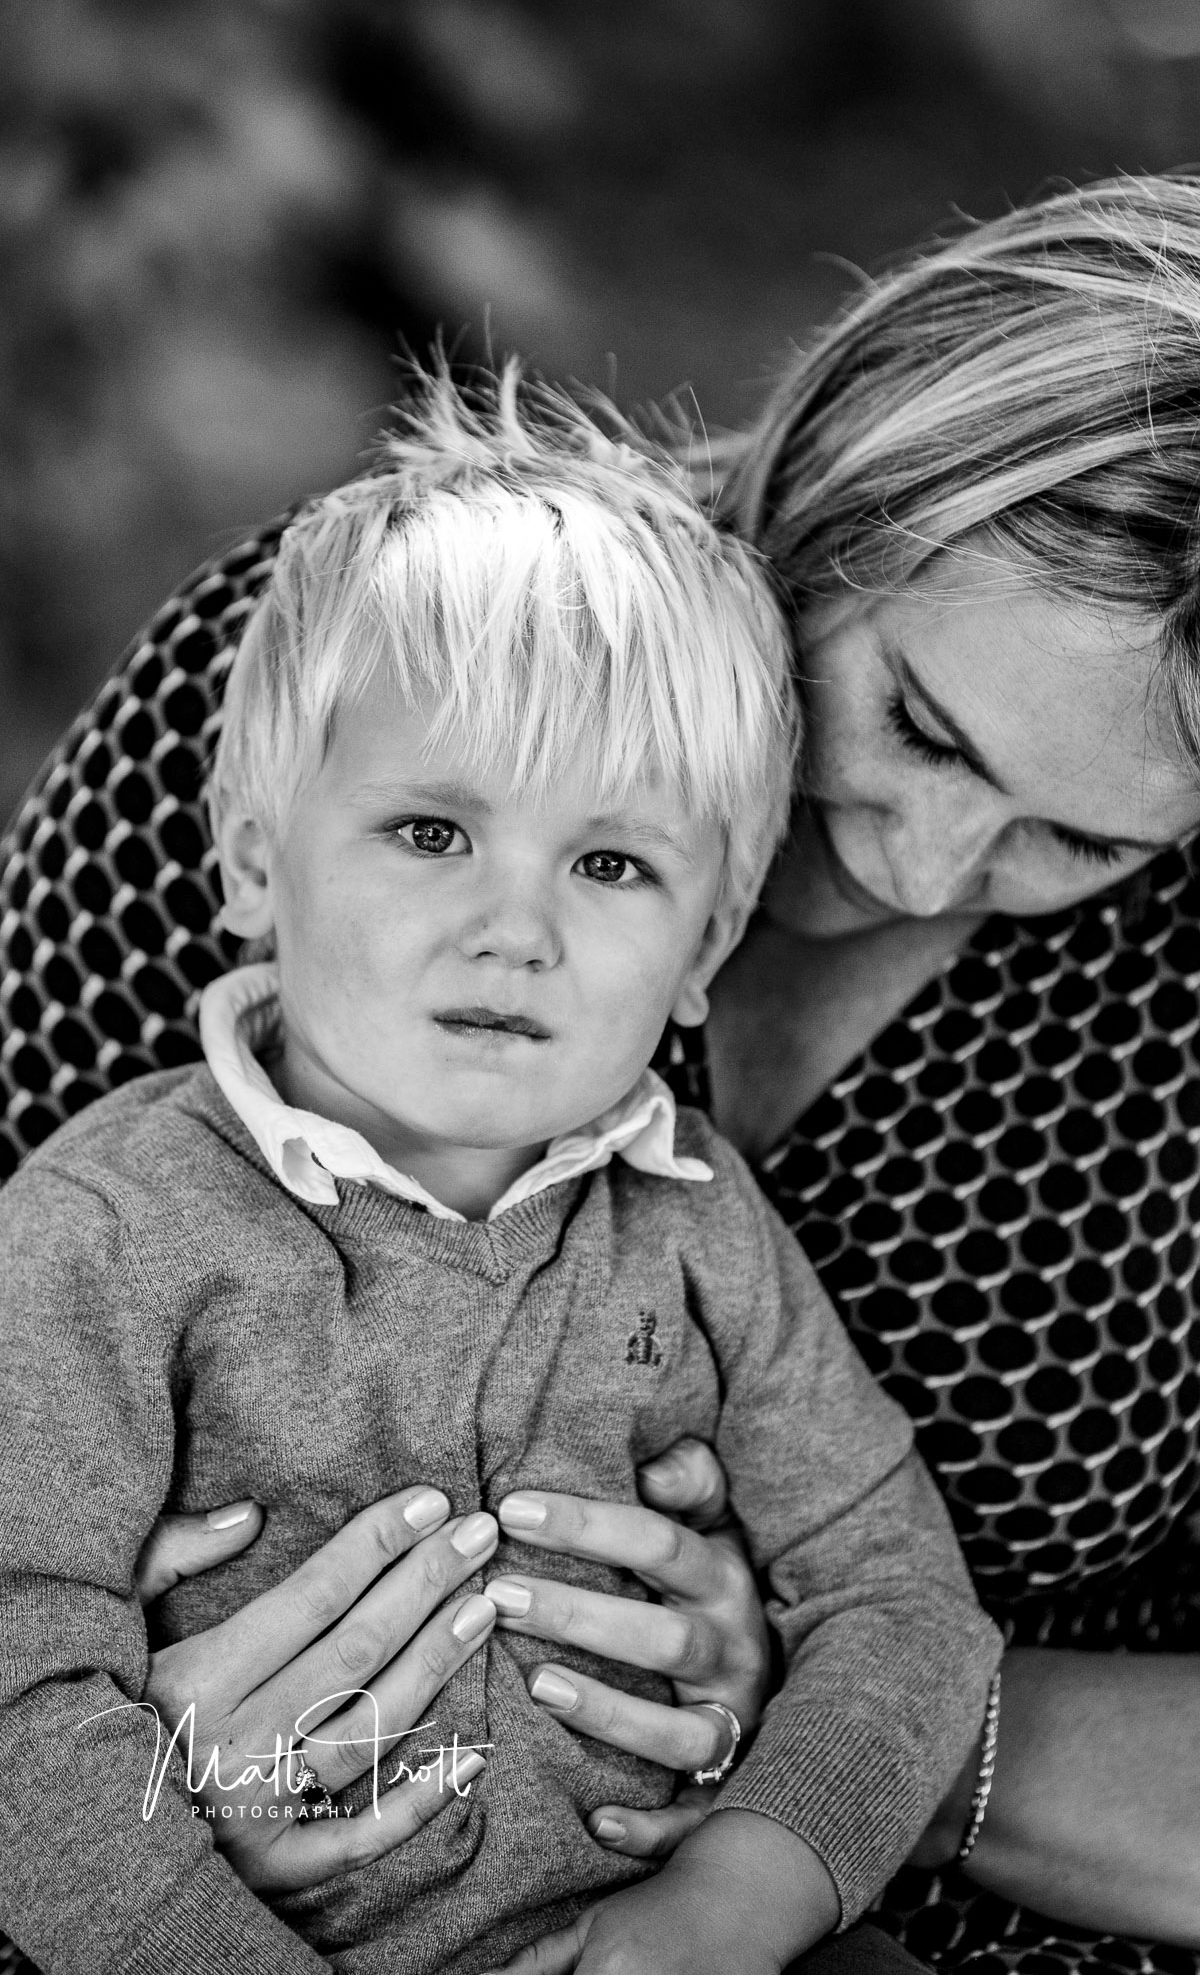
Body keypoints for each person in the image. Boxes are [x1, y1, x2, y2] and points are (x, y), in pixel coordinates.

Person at [2, 168, 1200, 1974]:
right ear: (846, 476)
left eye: (1076, 844)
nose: (926, 869)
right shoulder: (414, 655)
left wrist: (797, 1787)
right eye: (919, 728)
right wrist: (147, 1790)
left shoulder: (715, 1210)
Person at [0, 371, 1000, 1975]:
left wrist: (739, 1901)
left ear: (703, 949)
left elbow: (895, 1599)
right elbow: (14, 1678)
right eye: (429, 832)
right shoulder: (107, 1228)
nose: (512, 926)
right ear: (255, 857)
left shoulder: (690, 1221)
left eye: (610, 865)